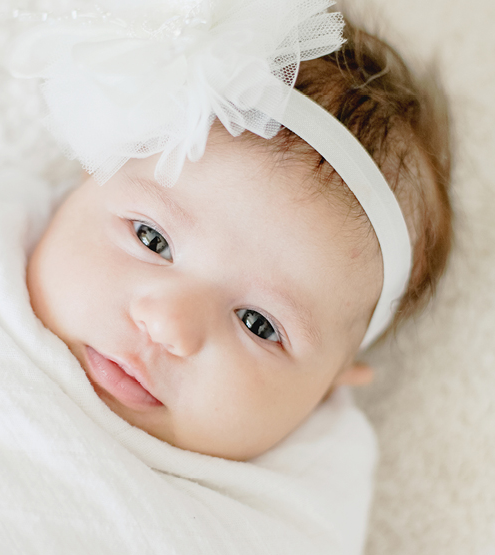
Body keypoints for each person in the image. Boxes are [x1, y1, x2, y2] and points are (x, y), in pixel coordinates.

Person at [22, 15, 453, 460]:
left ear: (329, 386)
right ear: (87, 175)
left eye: (258, 324)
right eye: (151, 239)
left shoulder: (297, 498)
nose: (167, 325)